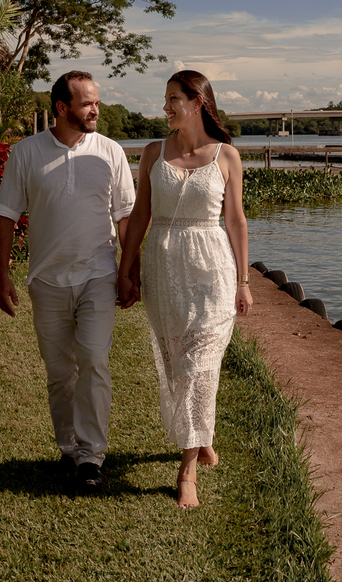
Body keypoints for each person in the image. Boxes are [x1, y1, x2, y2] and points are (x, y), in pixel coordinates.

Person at [0, 70, 136, 493]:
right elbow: (4, 213)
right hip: (47, 279)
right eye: (88, 103)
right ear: (61, 108)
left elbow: (125, 217)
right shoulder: (27, 153)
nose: (96, 109)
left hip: (98, 274)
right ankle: (69, 448)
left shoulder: (110, 152)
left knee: (93, 358)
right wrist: (3, 276)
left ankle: (91, 456)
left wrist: (129, 272)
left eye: (97, 102)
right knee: (60, 373)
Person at [117, 69, 251, 509]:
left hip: (213, 270)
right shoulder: (153, 152)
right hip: (165, 266)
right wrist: (127, 267)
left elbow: (235, 221)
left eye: (174, 98)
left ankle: (187, 470)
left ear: (198, 102)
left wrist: (245, 281)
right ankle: (202, 435)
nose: (166, 106)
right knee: (179, 363)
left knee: (199, 363)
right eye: (166, 98)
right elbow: (139, 217)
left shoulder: (227, 156)